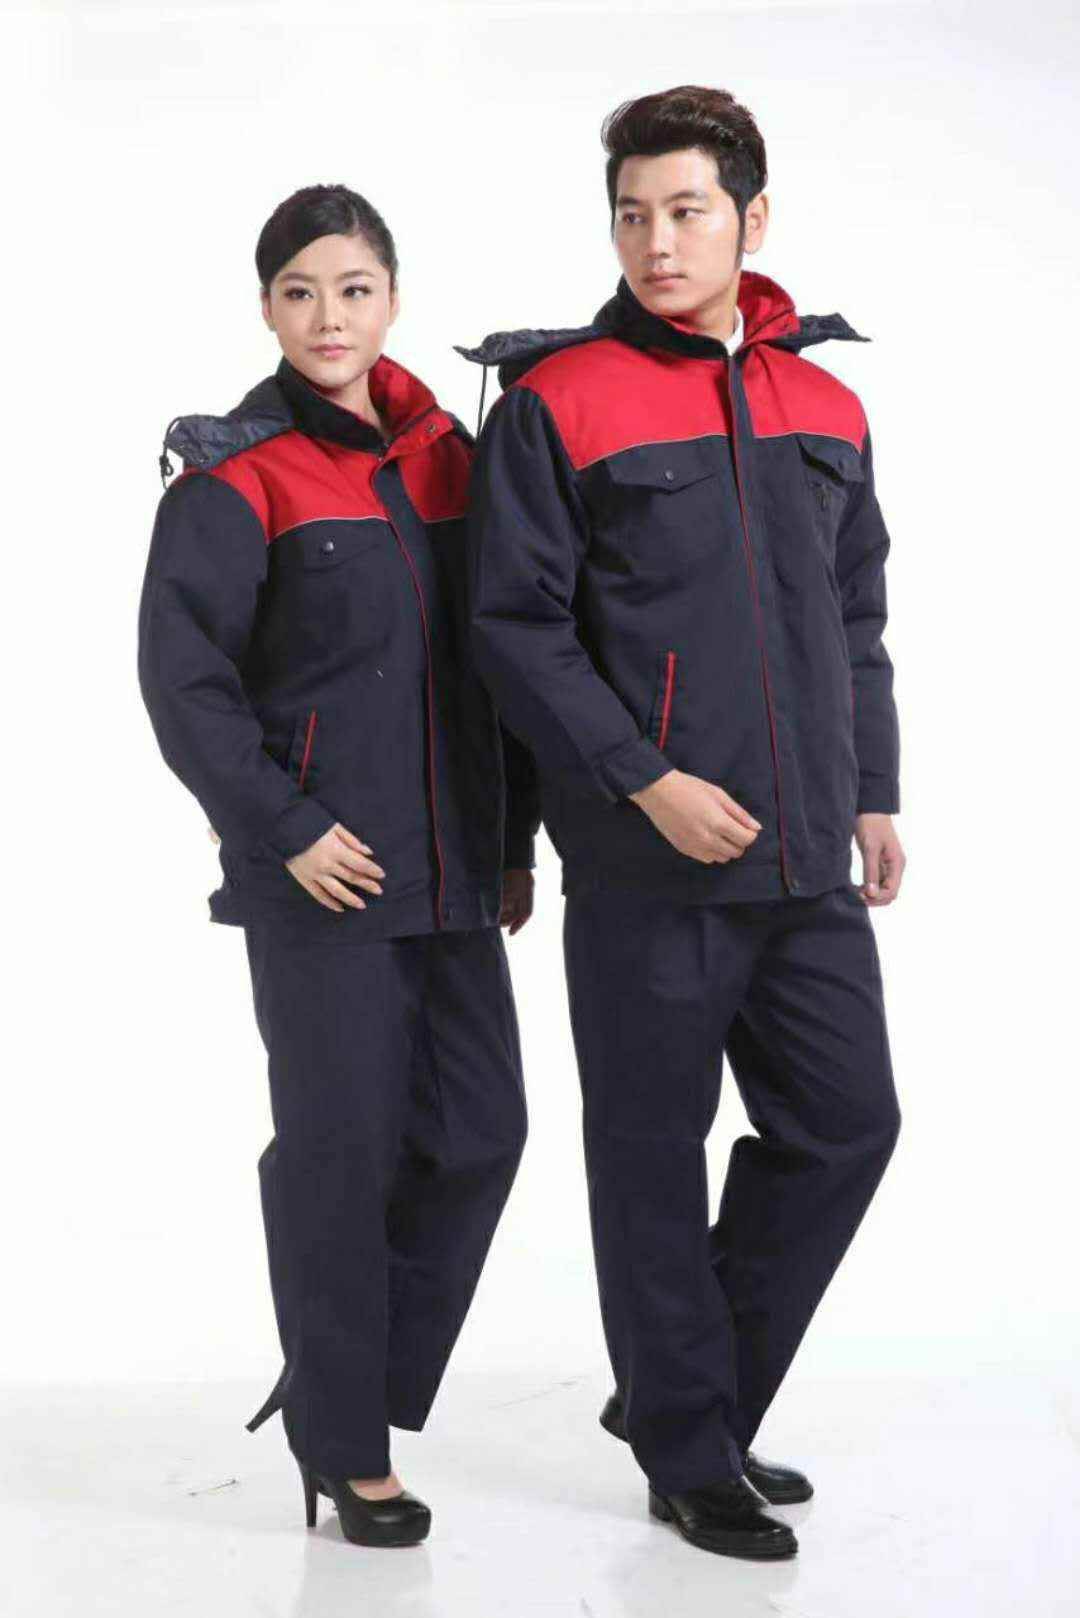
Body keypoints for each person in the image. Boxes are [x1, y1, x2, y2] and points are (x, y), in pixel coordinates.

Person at [460, 85, 905, 1561]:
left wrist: (875, 788)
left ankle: (679, 1397)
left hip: (804, 851)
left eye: (688, 211)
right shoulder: (559, 403)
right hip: (645, 858)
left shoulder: (826, 407)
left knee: (846, 1124)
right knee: (654, 1154)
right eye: (632, 214)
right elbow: (515, 630)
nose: (657, 241)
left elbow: (856, 616)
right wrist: (642, 777)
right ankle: (689, 1446)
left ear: (751, 219)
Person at [138, 184, 538, 1548]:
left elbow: (496, 666)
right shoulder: (234, 477)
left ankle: (333, 1378)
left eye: (354, 288)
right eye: (300, 291)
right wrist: (286, 827)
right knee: (342, 1150)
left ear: (394, 299)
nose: (329, 316)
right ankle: (349, 1444)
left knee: (482, 1132)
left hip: (454, 867)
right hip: (322, 873)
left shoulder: (452, 460)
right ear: (266, 307)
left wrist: (510, 843)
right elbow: (185, 683)